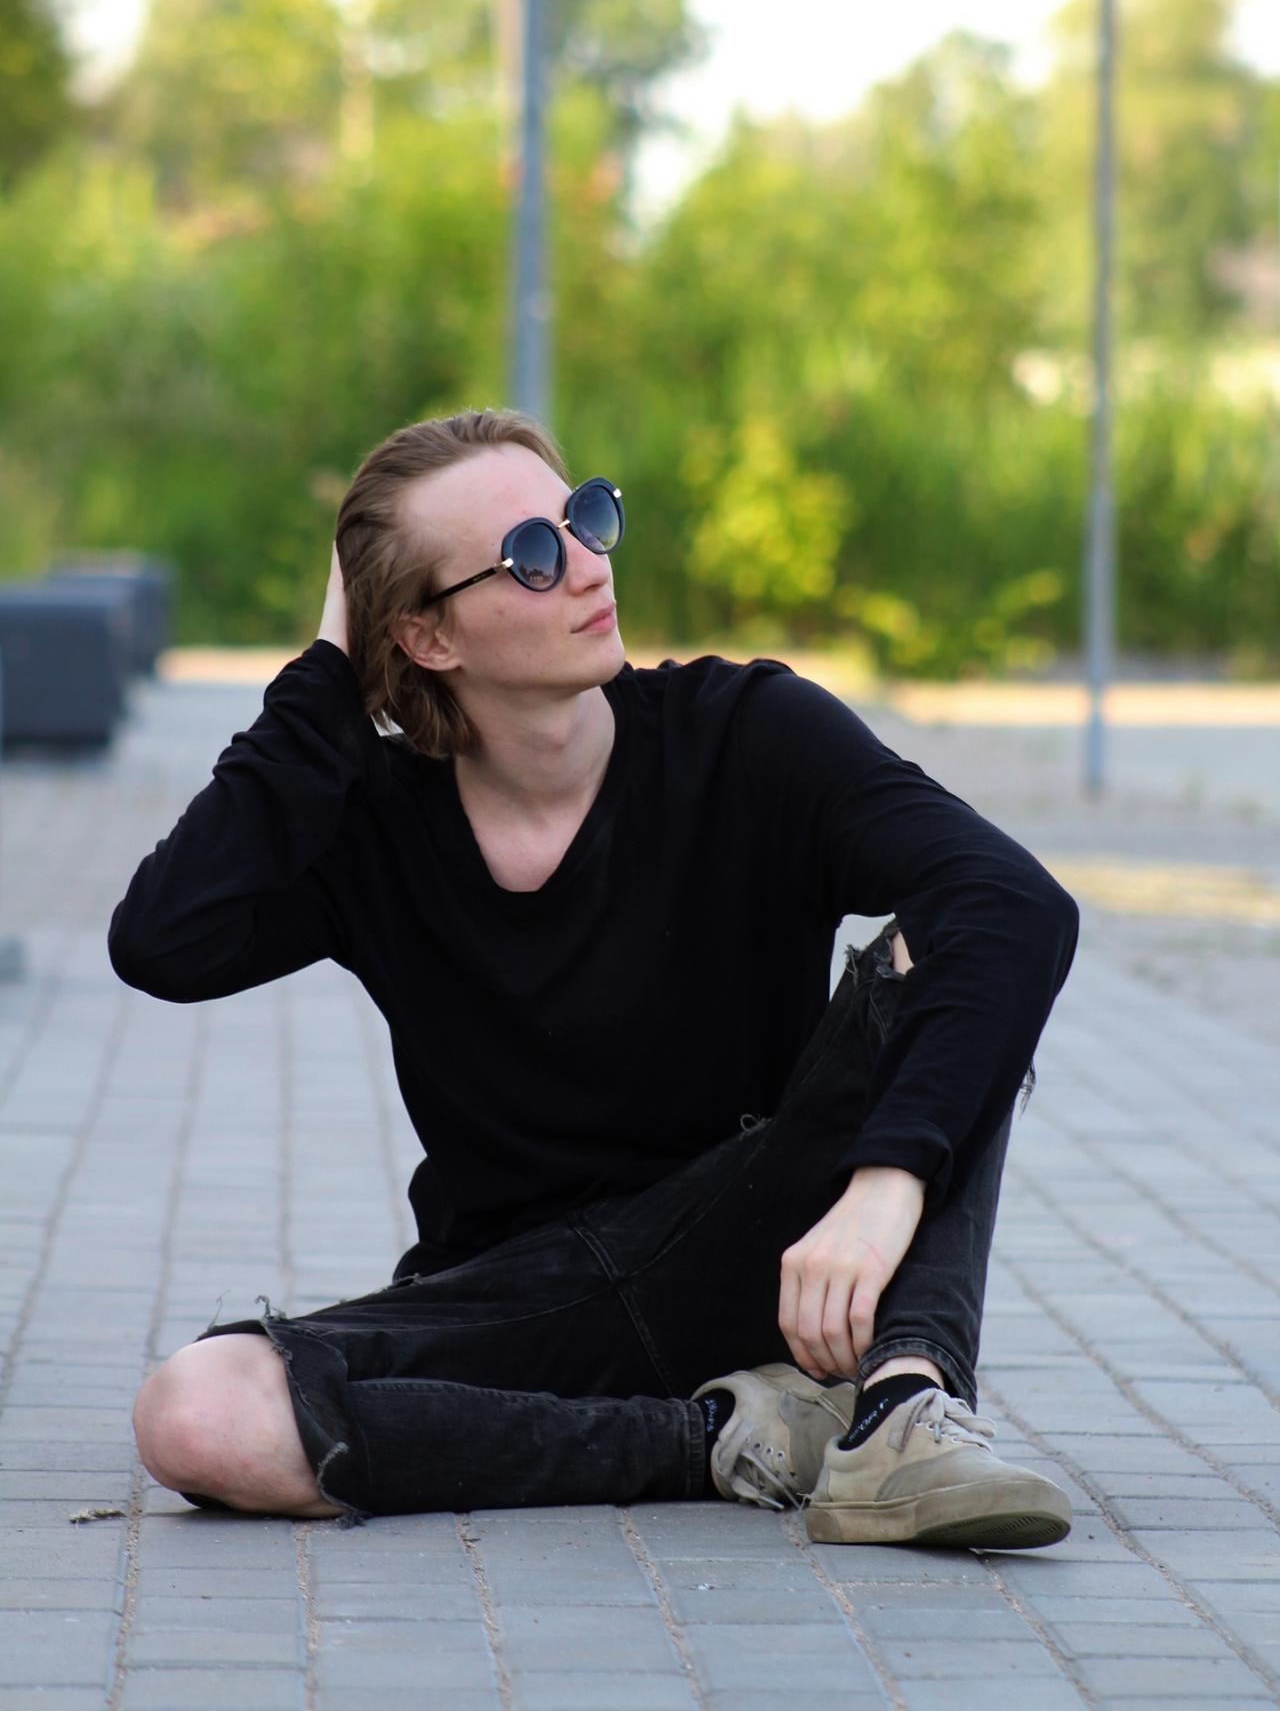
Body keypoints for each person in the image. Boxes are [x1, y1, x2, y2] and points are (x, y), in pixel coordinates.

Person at [111, 406, 1079, 1547]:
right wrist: (326, 675)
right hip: (519, 1300)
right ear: (429, 636)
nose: (585, 564)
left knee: (950, 950)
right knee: (197, 1412)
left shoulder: (746, 734)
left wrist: (884, 1187)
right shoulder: (373, 821)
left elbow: (1016, 904)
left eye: (584, 517)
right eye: (531, 554)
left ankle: (902, 1408)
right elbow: (162, 939)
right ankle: (725, 1440)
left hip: (756, 1247)